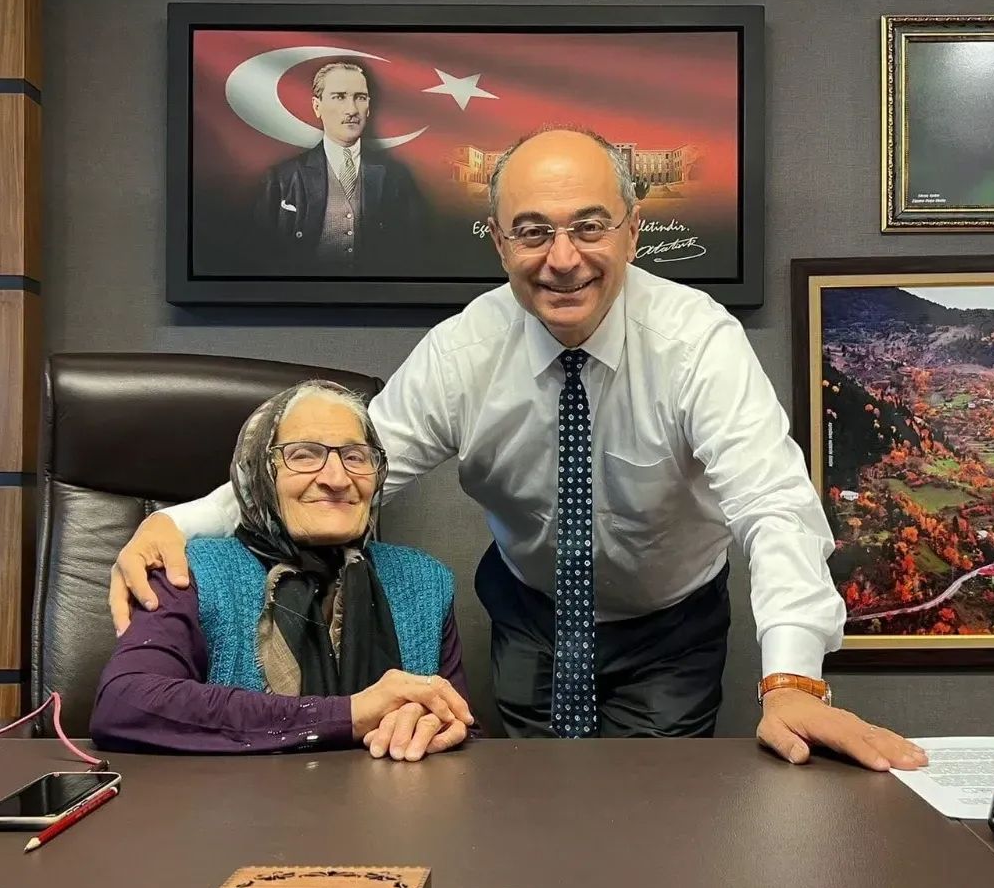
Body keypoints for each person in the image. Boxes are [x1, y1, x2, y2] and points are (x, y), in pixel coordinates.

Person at [115, 128, 925, 772]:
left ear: (633, 233)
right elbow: (350, 470)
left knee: (658, 818)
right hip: (532, 617)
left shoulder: (697, 344)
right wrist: (177, 524)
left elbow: (773, 506)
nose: (562, 259)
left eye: (590, 227)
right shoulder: (465, 351)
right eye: (533, 232)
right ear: (500, 245)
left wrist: (792, 681)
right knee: (536, 802)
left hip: (669, 626)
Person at [92, 379, 474, 760]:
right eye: (304, 455)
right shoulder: (190, 572)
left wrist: (434, 725)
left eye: (356, 457)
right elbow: (125, 704)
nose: (337, 479)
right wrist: (350, 715)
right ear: (259, 474)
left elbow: (459, 727)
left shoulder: (424, 582)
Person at [256, 61, 425, 274]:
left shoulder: (396, 177)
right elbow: (262, 255)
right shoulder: (282, 178)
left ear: (369, 107)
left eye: (360, 97)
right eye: (339, 97)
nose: (352, 110)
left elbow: (412, 252)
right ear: (317, 106)